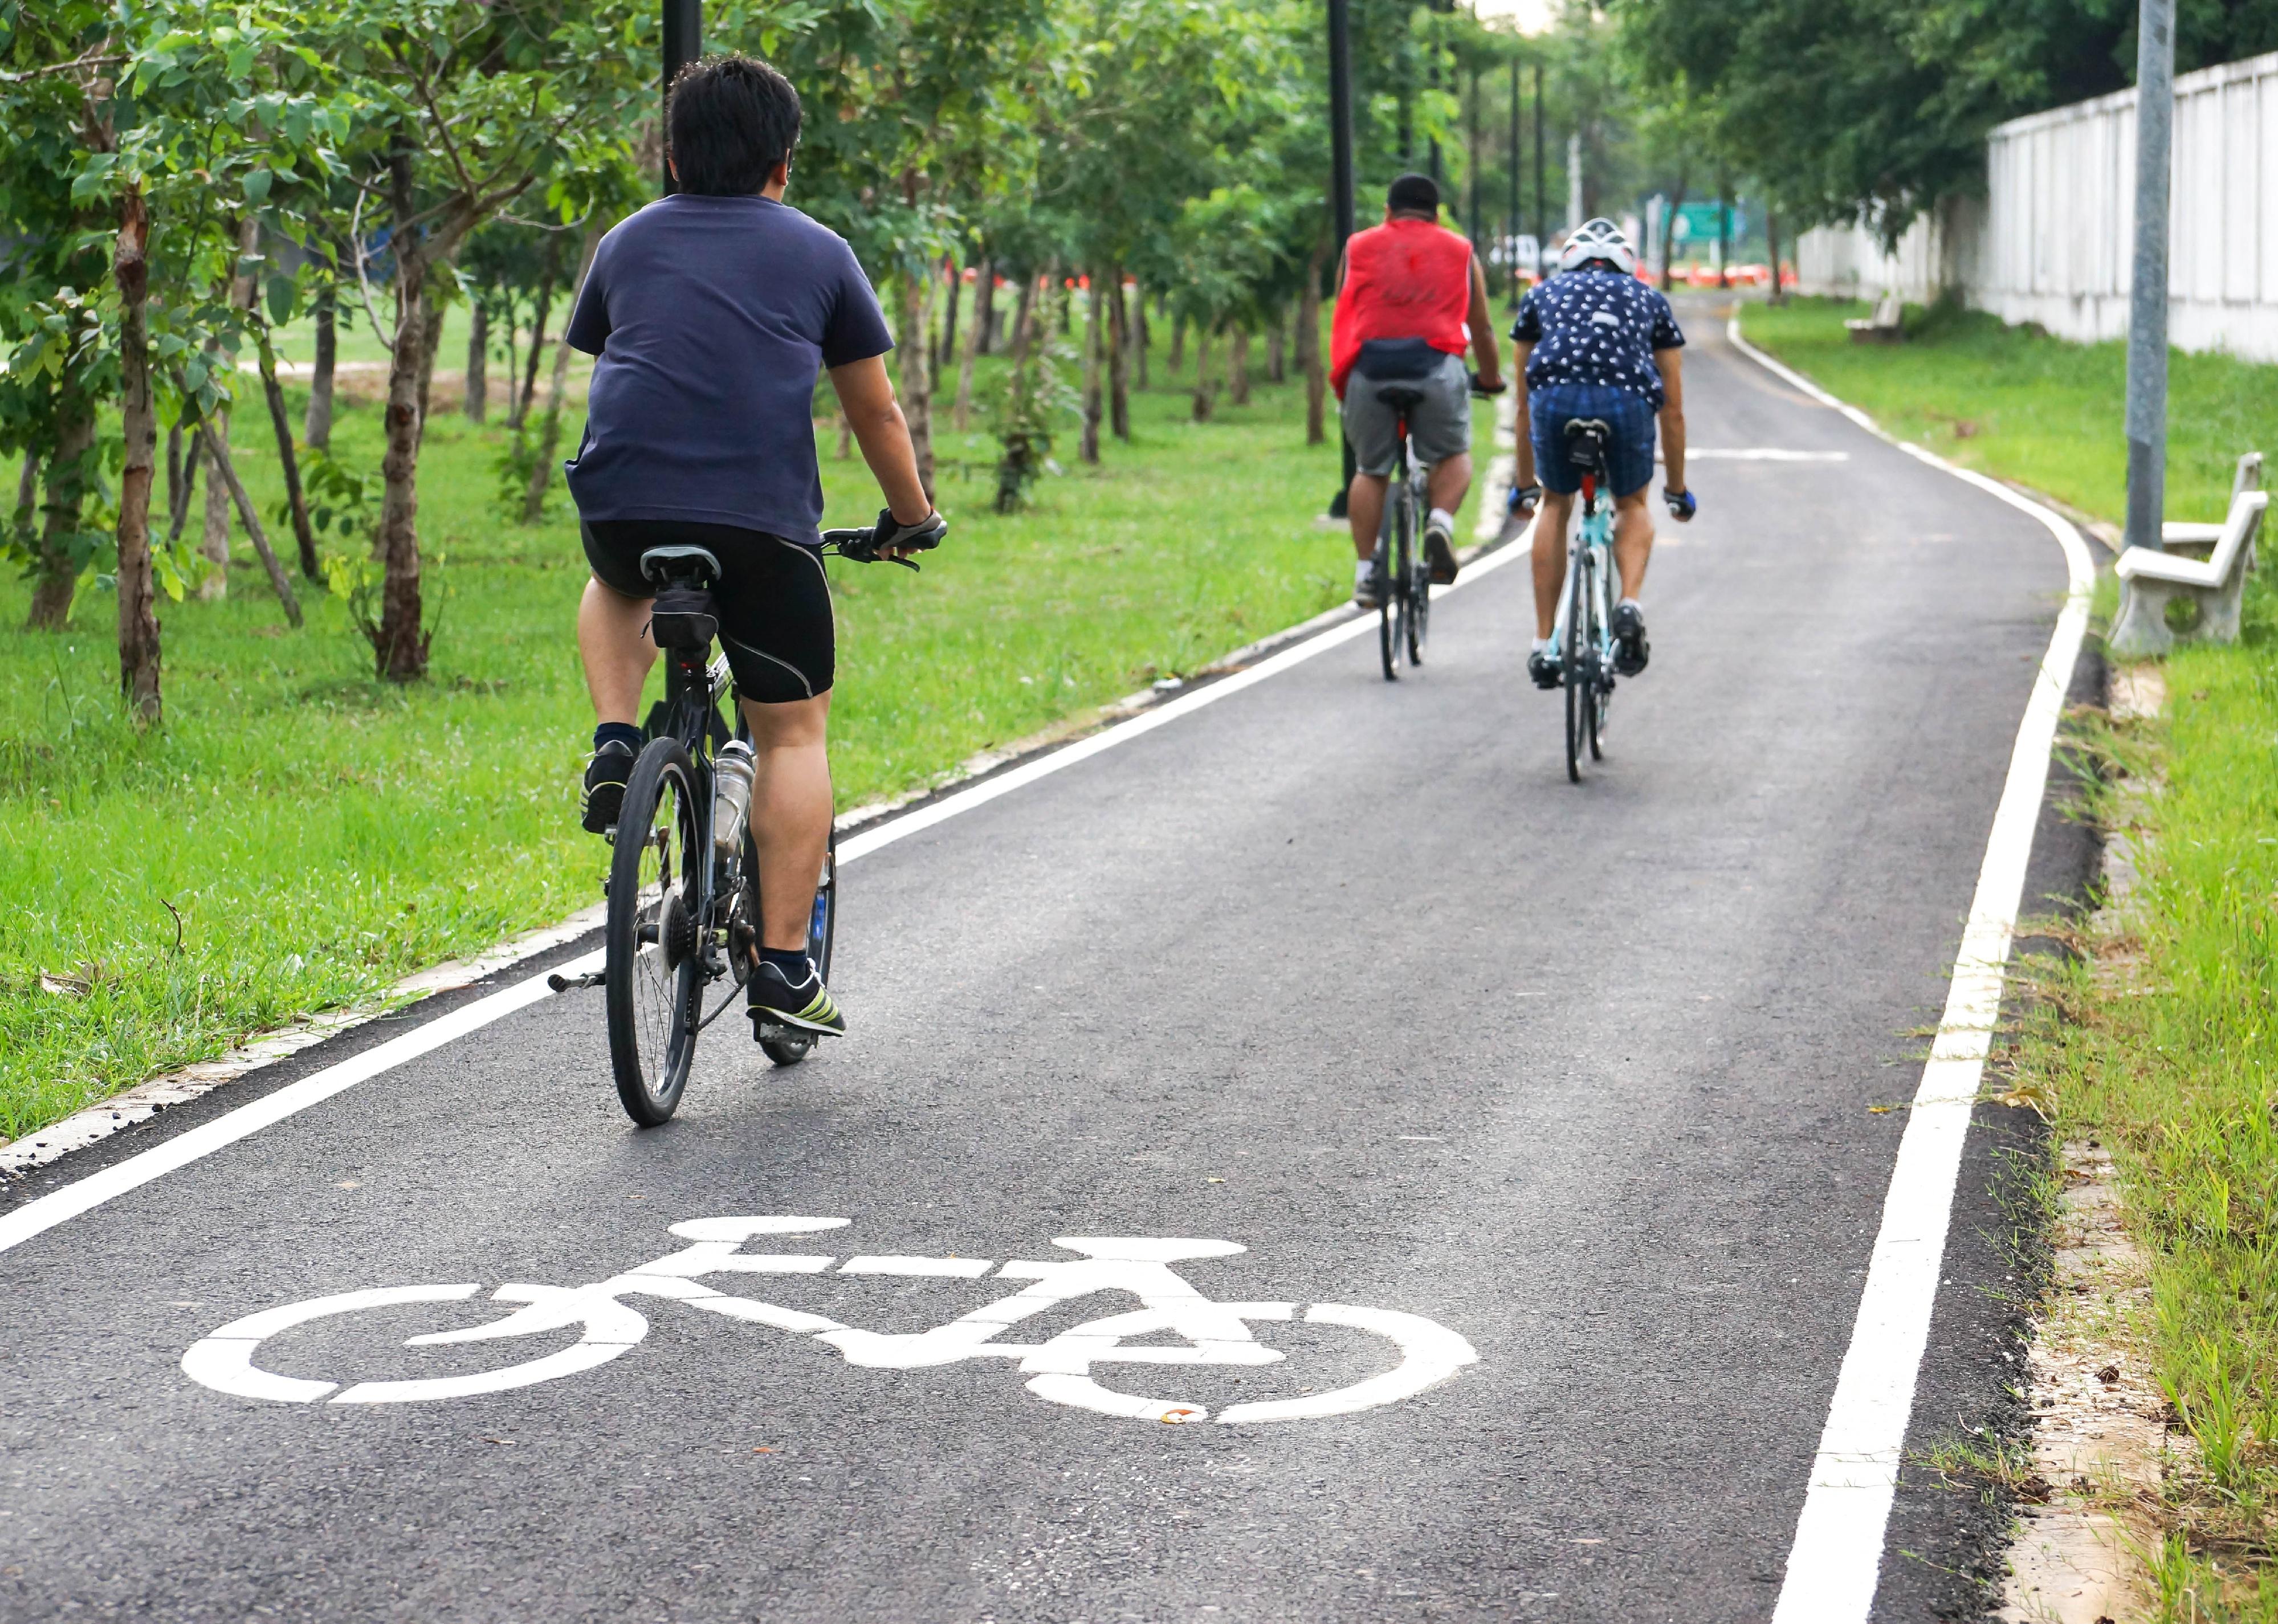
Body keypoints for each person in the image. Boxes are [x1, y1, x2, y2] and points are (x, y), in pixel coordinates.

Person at [565, 54, 944, 1041]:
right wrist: (911, 517)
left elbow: (625, 362)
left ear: (674, 155)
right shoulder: (820, 252)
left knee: (613, 585)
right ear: (784, 160)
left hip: (623, 503)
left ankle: (615, 741)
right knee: (793, 731)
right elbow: (876, 412)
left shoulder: (626, 241)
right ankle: (782, 964)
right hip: (761, 525)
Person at [1507, 218, 1695, 687]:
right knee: (1631, 505)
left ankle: (1545, 644)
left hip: (1555, 401)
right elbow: (1672, 408)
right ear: (1626, 265)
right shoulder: (1649, 300)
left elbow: (1522, 401)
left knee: (1555, 503)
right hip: (1624, 403)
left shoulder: (1541, 297)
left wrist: (1525, 487)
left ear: (1567, 260)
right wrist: (1676, 489)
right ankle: (1628, 602)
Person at [1330, 173, 1506, 609]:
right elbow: (1481, 327)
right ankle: (1440, 524)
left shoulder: (1357, 247)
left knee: (1370, 470)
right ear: (1437, 214)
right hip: (1435, 370)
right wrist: (1490, 378)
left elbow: (1344, 308)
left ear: (1387, 211)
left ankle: (1367, 574)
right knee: (1453, 455)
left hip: (1369, 371)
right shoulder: (1459, 251)